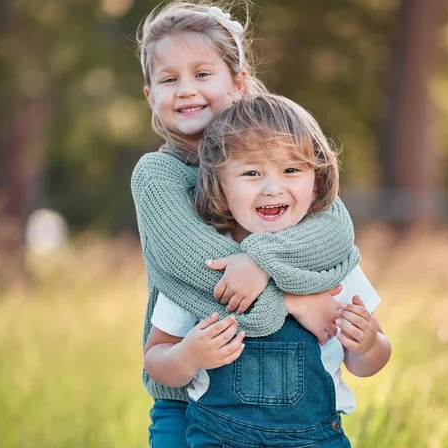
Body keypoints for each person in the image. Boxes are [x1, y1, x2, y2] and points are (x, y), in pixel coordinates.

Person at [132, 2, 363, 447]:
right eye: (169, 79)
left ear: (237, 83)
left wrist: (259, 260)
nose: (185, 90)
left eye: (202, 74)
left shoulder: (272, 153)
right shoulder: (157, 176)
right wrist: (295, 300)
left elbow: (335, 230)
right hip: (186, 388)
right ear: (150, 96)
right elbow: (203, 271)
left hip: (287, 410)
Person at [144, 94, 392, 448]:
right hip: (219, 439)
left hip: (316, 440)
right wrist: (187, 356)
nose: (272, 187)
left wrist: (367, 344)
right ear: (219, 186)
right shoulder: (205, 264)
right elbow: (156, 357)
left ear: (316, 182)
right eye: (251, 173)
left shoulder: (330, 263)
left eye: (291, 170)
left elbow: (369, 361)